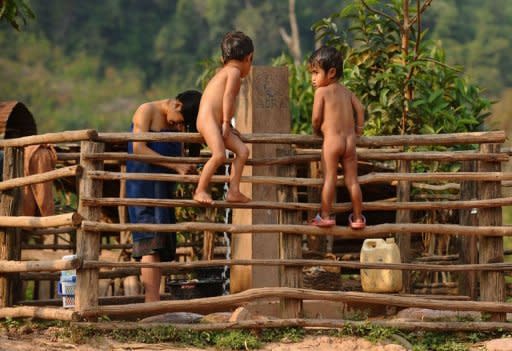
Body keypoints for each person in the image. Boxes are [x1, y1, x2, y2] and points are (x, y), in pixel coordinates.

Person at [126, 90, 202, 302]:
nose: (179, 127)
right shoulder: (146, 110)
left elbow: (181, 159)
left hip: (163, 189)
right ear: (176, 106)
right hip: (142, 186)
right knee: (149, 243)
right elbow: (138, 149)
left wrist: (187, 168)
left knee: (161, 244)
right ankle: (151, 302)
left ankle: (154, 300)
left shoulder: (176, 123)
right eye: (180, 122)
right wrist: (176, 165)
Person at [307, 46, 366, 229]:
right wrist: (359, 129)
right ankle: (357, 218)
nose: (313, 79)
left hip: (331, 142)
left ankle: (325, 215)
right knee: (352, 181)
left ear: (331, 72)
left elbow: (316, 118)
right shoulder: (347, 92)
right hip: (349, 142)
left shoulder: (321, 92)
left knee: (330, 179)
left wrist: (317, 130)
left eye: (316, 73)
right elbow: (361, 109)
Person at [193, 31, 253, 205]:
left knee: (242, 151)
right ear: (249, 58)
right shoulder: (233, 73)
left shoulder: (225, 71)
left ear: (222, 58)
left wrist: (226, 124)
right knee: (219, 155)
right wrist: (226, 122)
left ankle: (234, 191)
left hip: (215, 120)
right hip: (208, 120)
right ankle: (200, 190)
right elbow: (228, 97)